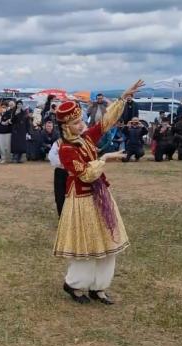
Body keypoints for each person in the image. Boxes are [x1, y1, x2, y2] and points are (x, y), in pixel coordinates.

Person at [54, 79, 144, 305]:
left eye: (80, 120)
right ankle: (75, 285)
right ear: (65, 126)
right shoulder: (65, 149)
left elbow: (105, 122)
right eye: (75, 123)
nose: (80, 125)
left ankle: (99, 287)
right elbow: (84, 174)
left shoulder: (85, 138)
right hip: (82, 198)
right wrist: (104, 158)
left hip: (100, 194)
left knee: (108, 241)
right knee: (87, 243)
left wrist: (123, 98)